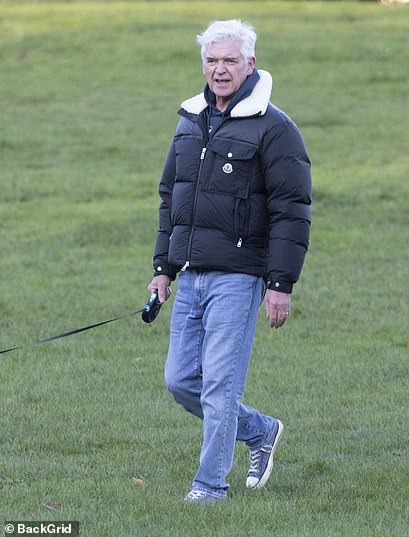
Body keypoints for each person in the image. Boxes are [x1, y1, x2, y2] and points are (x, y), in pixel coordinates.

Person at [146, 19, 311, 503]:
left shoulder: (276, 128)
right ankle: (260, 430)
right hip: (191, 274)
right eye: (212, 60)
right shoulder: (189, 119)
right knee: (180, 381)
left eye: (230, 61)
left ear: (250, 64)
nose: (220, 69)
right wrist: (163, 268)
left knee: (219, 386)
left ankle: (209, 487)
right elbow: (169, 199)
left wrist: (281, 283)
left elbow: (292, 210)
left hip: (240, 278)